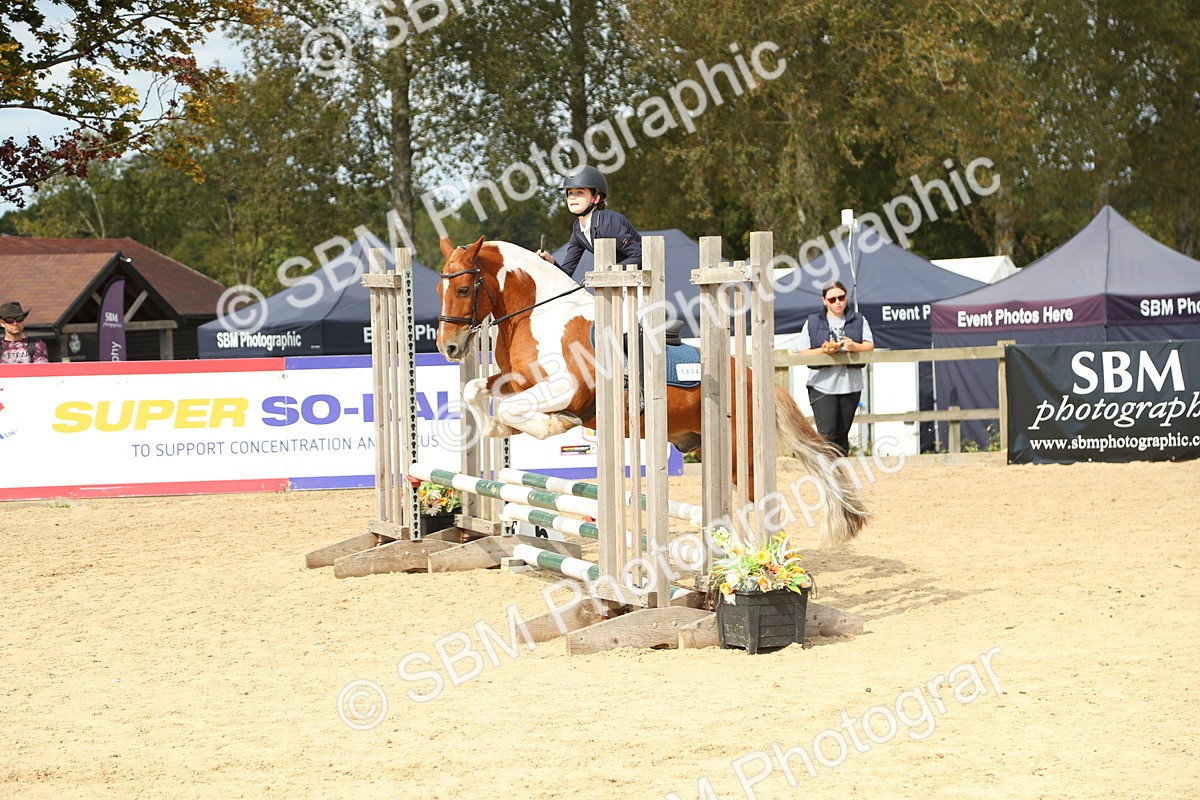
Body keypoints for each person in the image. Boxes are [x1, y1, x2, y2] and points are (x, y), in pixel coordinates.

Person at [796, 281, 874, 455]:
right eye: (832, 299)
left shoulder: (859, 319)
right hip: (822, 384)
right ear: (824, 301)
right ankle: (825, 469)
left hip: (851, 385)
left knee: (842, 434)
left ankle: (841, 469)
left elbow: (869, 346)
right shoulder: (812, 321)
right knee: (827, 434)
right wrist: (823, 351)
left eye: (841, 297)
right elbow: (803, 352)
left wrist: (854, 346)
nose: (838, 302)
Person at [538, 165, 641, 278]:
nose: (572, 197)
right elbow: (566, 273)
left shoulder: (608, 222)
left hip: (642, 281)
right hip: (619, 281)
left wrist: (610, 271)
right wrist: (551, 262)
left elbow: (639, 256)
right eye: (570, 193)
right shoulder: (578, 230)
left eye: (580, 192)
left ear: (595, 198)